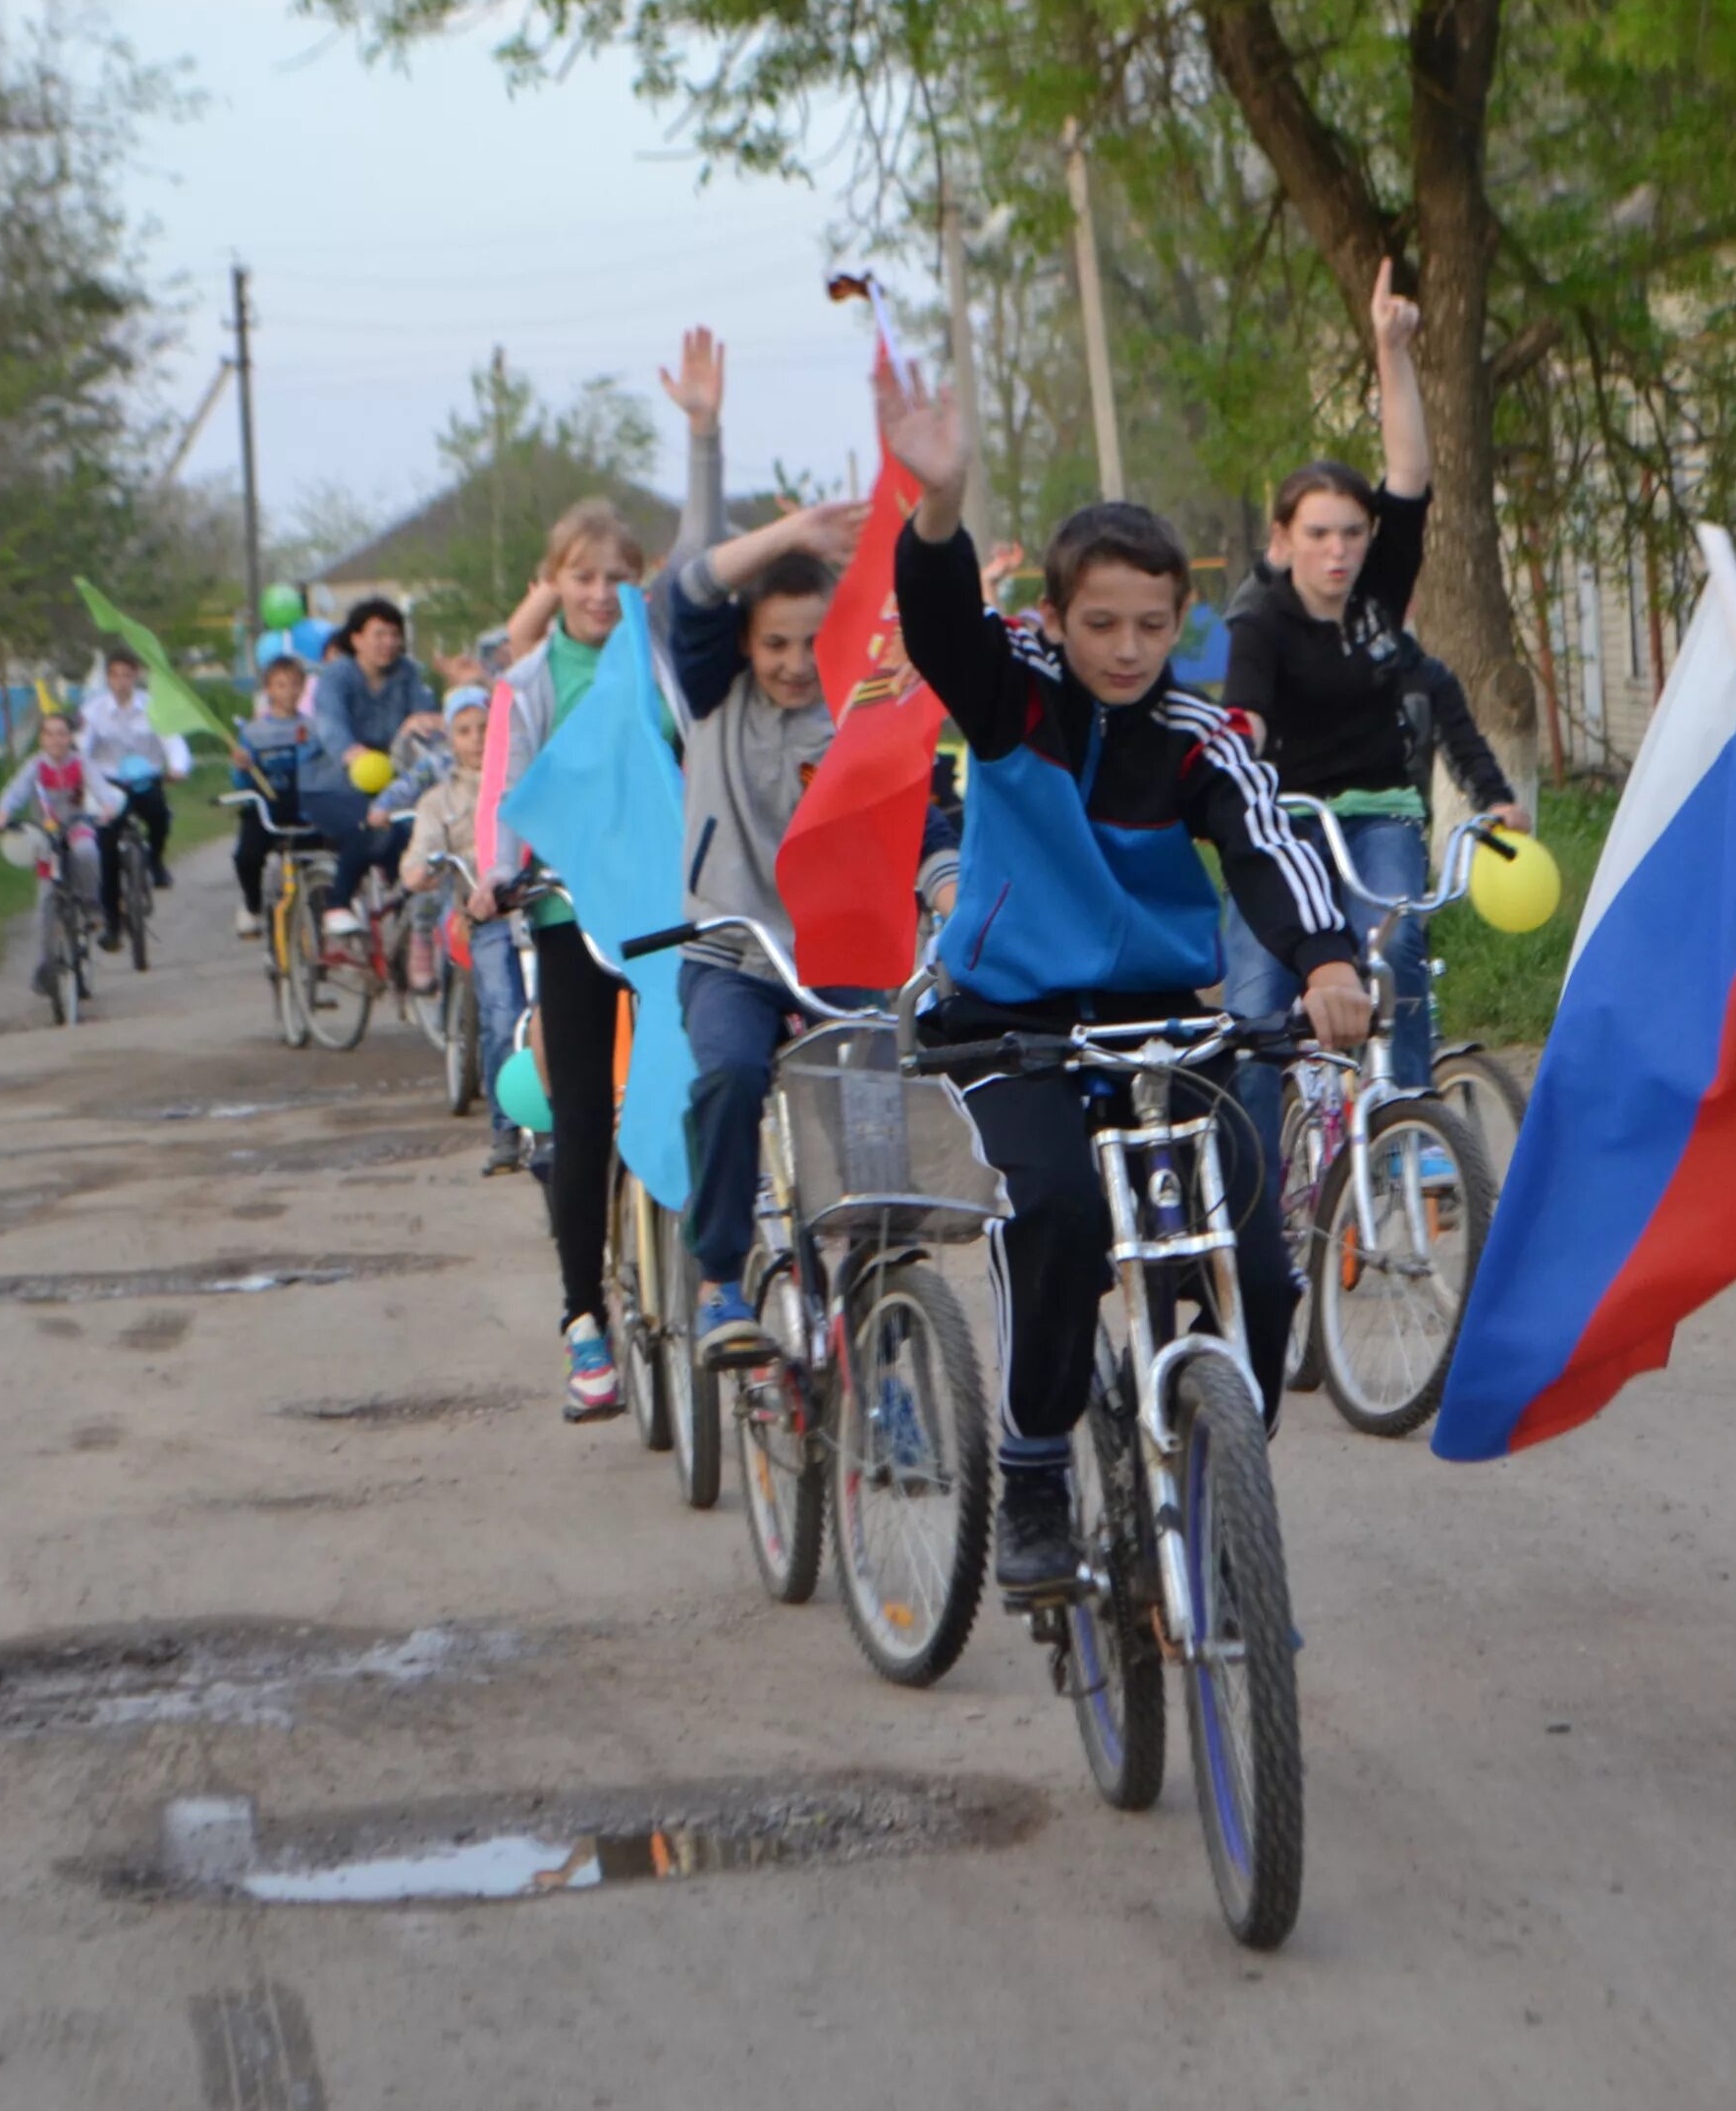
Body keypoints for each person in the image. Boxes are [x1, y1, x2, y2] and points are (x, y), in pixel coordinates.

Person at [877, 355, 1375, 1595]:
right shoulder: (1010, 696)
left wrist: (1325, 958)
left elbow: (1266, 845)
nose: (1128, 648)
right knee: (1057, 1210)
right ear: (1055, 619)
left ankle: (1215, 1453)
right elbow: (937, 623)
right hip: (1008, 1020)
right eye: (1101, 624)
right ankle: (1037, 1466)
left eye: (1153, 625)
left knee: (1260, 1260)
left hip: (1157, 1022)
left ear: (1180, 620)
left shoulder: (1197, 737)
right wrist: (939, 506)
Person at [1220, 258, 1528, 1161]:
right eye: (1319, 533)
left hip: (1378, 815)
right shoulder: (1259, 622)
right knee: (1253, 1006)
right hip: (1282, 825)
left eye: (1353, 533)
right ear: (1284, 540)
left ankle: (1407, 1120)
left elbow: (1410, 473)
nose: (1340, 551)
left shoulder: (1378, 599)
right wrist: (1221, 766)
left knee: (1394, 950)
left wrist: (1392, 351)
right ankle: (1252, 1182)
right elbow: (1247, 724)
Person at [661, 492, 973, 1364]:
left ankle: (882, 1301)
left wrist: (952, 895)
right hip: (731, 951)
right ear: (743, 643)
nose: (795, 664)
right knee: (729, 1075)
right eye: (775, 644)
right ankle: (720, 1277)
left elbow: (915, 818)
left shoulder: (858, 709)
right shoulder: (711, 695)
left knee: (876, 1113)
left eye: (811, 643)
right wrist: (792, 536)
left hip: (839, 949)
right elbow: (687, 591)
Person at [478, 329, 727, 1418]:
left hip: (668, 906)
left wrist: (703, 435)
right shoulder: (531, 680)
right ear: (553, 583)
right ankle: (584, 1319)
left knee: (699, 1087)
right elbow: (507, 785)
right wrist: (495, 875)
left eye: (616, 576)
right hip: (571, 914)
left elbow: (705, 550)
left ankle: (717, 1280)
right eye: (581, 576)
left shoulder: (657, 651)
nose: (599, 591)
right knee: (582, 1118)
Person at [398, 685, 530, 1172]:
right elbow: (418, 857)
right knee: (503, 1013)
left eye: (485, 728)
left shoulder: (528, 780)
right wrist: (419, 871)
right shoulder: (440, 800)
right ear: (450, 739)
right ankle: (507, 1128)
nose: (476, 739)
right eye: (464, 730)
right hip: (486, 917)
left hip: (541, 910)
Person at [300, 598, 440, 938]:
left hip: (390, 781)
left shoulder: (407, 673)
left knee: (419, 833)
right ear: (357, 638)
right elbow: (331, 724)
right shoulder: (336, 675)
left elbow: (426, 718)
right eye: (379, 634)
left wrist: (426, 724)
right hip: (330, 784)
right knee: (370, 825)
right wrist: (351, 753)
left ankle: (406, 919)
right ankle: (337, 904)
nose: (388, 642)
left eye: (394, 634)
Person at [0, 708, 121, 988]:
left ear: (70, 738)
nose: (55, 740)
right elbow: (15, 792)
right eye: (49, 734)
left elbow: (101, 789)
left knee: (87, 851)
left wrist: (107, 807)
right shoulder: (35, 766)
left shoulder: (81, 763)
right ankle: (47, 964)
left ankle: (91, 904)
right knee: (45, 902)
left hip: (76, 826)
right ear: (41, 739)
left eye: (61, 734)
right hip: (45, 835)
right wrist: (2, 814)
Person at [78, 645, 187, 951]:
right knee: (107, 853)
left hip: (145, 779)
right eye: (115, 676)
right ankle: (112, 925)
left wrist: (178, 767)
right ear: (108, 678)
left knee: (159, 814)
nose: (121, 682)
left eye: (127, 675)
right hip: (109, 783)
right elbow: (82, 747)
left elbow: (172, 740)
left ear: (136, 676)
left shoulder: (153, 707)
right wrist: (82, 775)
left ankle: (156, 861)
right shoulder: (93, 711)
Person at [228, 658, 318, 938]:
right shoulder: (253, 732)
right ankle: (252, 905)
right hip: (265, 806)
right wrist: (242, 767)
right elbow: (241, 782)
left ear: (303, 688)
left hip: (304, 805)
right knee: (246, 857)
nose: (288, 691)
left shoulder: (313, 727)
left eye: (294, 684)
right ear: (268, 689)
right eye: (281, 685)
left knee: (326, 851)